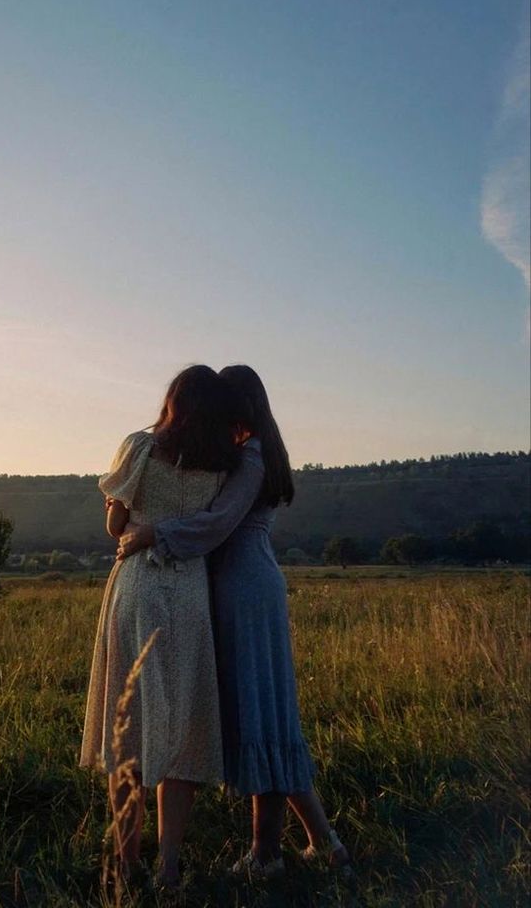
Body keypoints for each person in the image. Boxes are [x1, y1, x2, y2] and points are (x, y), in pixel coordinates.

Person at [117, 365, 352, 881]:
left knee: (263, 720)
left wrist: (153, 532)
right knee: (262, 719)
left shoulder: (249, 458)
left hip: (244, 590)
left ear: (237, 408)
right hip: (247, 587)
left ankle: (279, 852)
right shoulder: (261, 451)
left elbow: (217, 522)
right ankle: (309, 844)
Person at [79, 365, 239, 891]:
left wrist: (118, 512)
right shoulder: (224, 462)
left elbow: (115, 527)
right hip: (189, 591)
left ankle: (126, 864)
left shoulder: (139, 447)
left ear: (172, 401)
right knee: (183, 723)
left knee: (128, 725)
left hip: (139, 587)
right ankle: (169, 864)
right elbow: (210, 531)